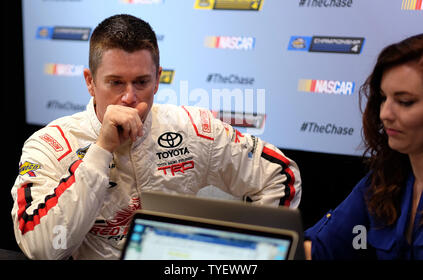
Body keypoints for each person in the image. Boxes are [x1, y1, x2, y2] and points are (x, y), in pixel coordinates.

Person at [11, 14, 302, 260]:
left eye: (141, 82)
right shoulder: (50, 144)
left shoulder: (193, 128)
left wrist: (242, 254)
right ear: (90, 81)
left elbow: (280, 175)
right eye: (115, 82)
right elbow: (41, 246)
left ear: (158, 78)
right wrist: (101, 150)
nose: (129, 97)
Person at [304, 33, 423, 260]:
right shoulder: (386, 179)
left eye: (405, 102)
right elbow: (320, 251)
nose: (385, 114)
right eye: (383, 98)